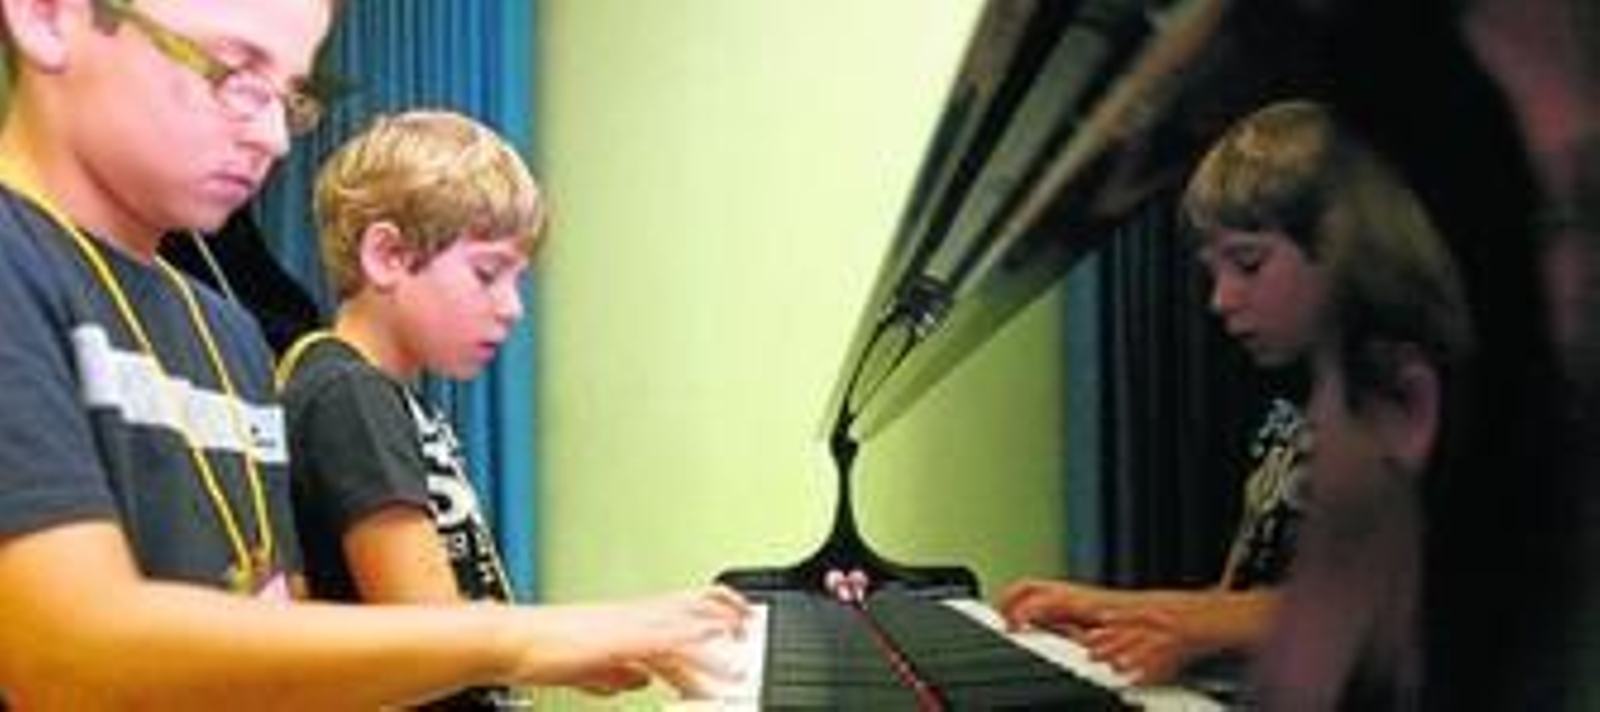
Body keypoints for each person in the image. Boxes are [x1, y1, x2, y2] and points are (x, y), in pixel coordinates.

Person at [0, 0, 746, 708]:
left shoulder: (230, 334)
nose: (274, 137)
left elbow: (276, 629)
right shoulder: (19, 266)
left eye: (289, 94)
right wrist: (523, 637)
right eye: (233, 73)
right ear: (48, 16)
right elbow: (65, 657)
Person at [997, 99, 1340, 686]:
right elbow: (1237, 603)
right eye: (1214, 272)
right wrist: (1117, 616)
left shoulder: (1405, 410)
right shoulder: (1288, 419)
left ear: (1345, 250)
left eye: (1248, 264)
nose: (1220, 299)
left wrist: (1143, 614)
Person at [275, 109, 548, 710]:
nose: (512, 309)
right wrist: (595, 638)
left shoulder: (383, 396)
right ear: (389, 255)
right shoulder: (349, 396)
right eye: (488, 274)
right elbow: (430, 636)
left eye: (517, 281)